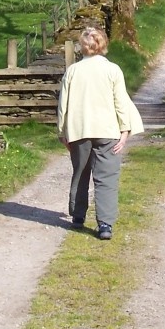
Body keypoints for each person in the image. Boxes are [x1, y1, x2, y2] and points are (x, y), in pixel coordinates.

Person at [56, 26, 143, 240]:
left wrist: (62, 132)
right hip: (108, 130)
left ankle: (78, 217)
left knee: (80, 173)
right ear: (102, 44)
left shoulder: (73, 71)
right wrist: (125, 130)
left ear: (82, 47)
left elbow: (63, 105)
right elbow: (121, 102)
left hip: (79, 130)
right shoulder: (112, 70)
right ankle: (105, 225)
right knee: (107, 178)